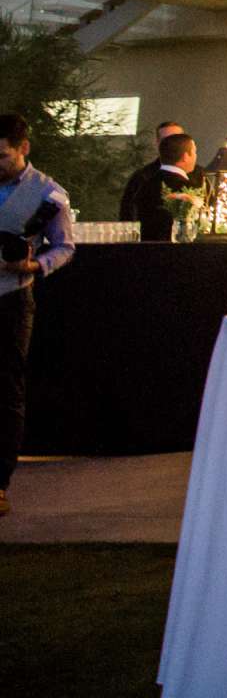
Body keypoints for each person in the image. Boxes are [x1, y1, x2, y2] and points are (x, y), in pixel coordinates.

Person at [1, 111, 76, 518]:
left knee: (6, 389)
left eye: (3, 157)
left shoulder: (49, 194)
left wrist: (33, 266)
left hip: (11, 298)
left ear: (23, 148)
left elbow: (64, 247)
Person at [120, 130, 198, 242]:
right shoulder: (187, 187)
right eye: (194, 152)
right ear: (186, 156)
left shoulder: (146, 183)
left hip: (144, 249)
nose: (196, 157)